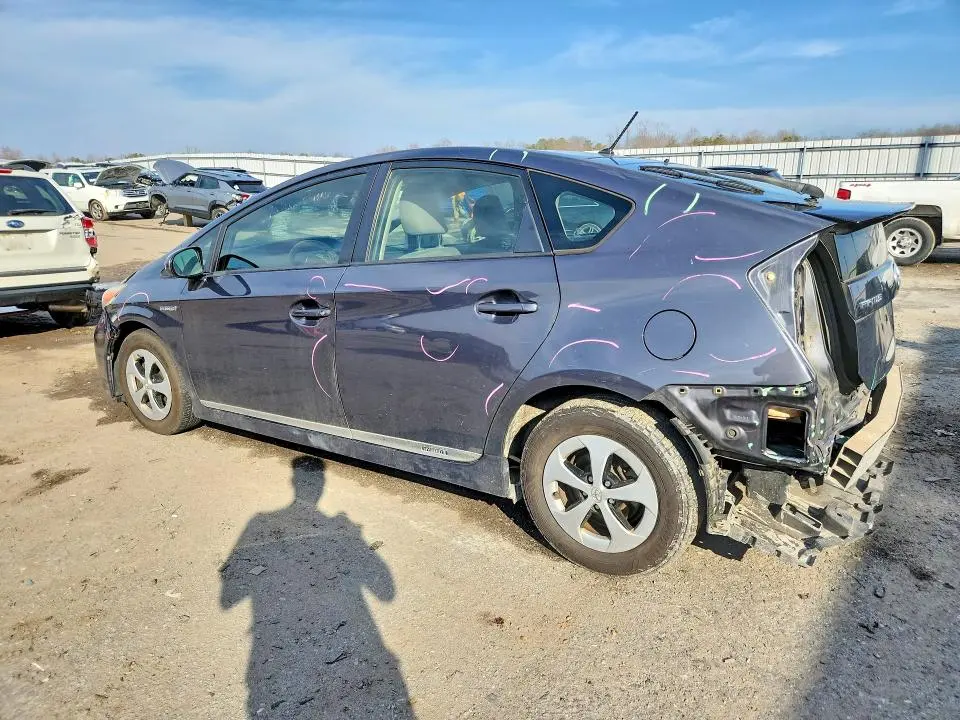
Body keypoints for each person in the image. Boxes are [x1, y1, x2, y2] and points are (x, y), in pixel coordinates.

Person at [220, 456, 413, 718]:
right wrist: (356, 539)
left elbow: (228, 598)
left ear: (293, 483)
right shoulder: (274, 523)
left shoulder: (258, 523)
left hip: (270, 664)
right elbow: (386, 592)